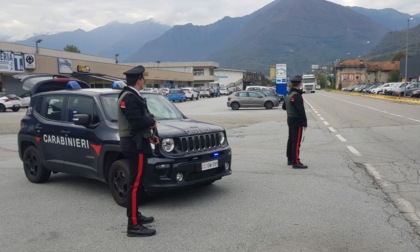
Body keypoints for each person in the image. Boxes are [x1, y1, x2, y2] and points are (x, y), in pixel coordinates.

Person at [117, 65, 160, 237]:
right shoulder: (130, 98)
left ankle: (135, 215)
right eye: (143, 79)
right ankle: (133, 225)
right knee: (134, 185)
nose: (144, 81)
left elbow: (136, 125)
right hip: (135, 146)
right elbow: (136, 122)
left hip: (137, 142)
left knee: (137, 183)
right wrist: (151, 121)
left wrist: (150, 135)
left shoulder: (131, 96)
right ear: (139, 80)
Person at [282, 75, 308, 169]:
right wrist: (304, 123)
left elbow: (284, 107)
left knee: (291, 140)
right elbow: (301, 110)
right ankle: (296, 161)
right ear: (299, 84)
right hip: (297, 121)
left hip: (290, 119)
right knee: (296, 141)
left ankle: (290, 159)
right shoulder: (297, 96)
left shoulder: (288, 95)